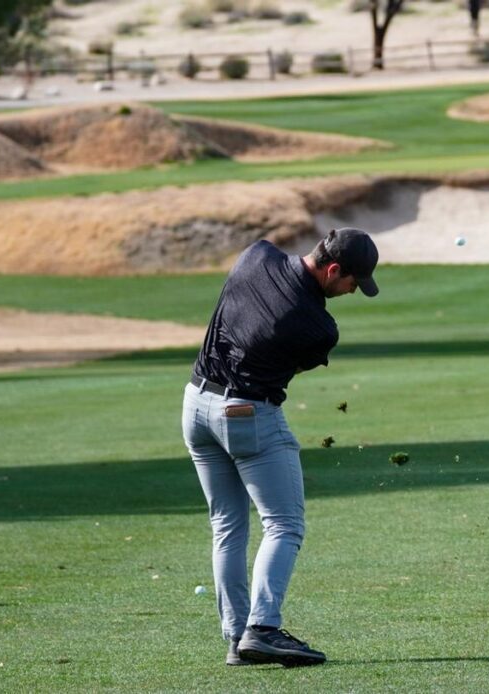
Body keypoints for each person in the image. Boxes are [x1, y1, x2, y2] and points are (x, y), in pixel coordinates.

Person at [181, 228, 380, 667]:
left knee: (227, 526)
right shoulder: (318, 328)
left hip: (195, 405)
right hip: (248, 416)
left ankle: (237, 638)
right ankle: (263, 628)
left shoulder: (255, 255)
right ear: (333, 270)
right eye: (352, 282)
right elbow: (299, 357)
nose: (352, 291)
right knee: (284, 524)